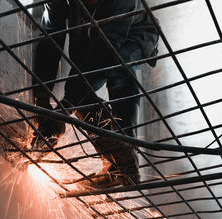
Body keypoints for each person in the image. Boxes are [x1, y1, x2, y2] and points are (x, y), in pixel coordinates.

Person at [31, 0, 159, 187]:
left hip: (136, 32)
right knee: (81, 92)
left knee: (120, 65)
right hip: (90, 34)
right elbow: (51, 35)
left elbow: (107, 51)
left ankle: (126, 145)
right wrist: (41, 99)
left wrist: (63, 109)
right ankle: (115, 163)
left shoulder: (122, 3)